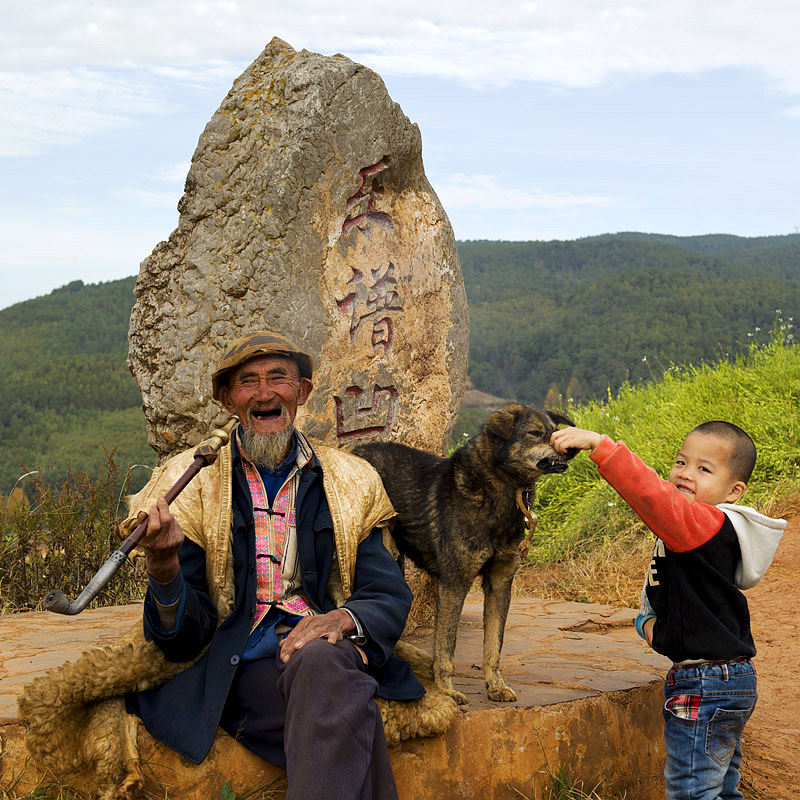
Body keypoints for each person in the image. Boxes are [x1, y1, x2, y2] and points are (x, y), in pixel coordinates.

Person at [125, 330, 424, 800]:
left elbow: (387, 592)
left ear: (302, 392)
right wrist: (163, 568)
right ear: (228, 401)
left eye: (278, 378)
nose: (265, 393)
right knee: (345, 704)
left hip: (325, 652)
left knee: (325, 662)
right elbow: (180, 641)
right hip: (237, 663)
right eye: (248, 382)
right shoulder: (192, 484)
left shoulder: (348, 479)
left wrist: (343, 618)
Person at [550, 421, 785, 800]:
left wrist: (600, 446)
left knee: (691, 792)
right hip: (730, 679)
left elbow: (652, 497)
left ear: (734, 491)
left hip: (704, 685)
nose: (686, 474)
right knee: (721, 790)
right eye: (681, 462)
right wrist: (650, 624)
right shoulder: (706, 531)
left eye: (704, 469)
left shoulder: (703, 525)